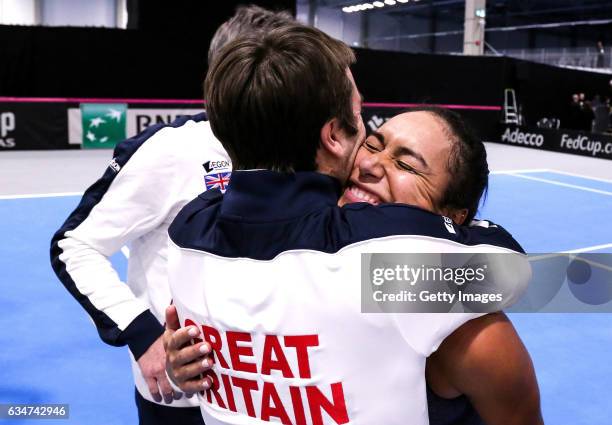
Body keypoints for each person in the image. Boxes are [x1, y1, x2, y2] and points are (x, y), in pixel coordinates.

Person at [164, 24, 540, 425]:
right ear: (334, 138)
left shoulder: (188, 233)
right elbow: (540, 277)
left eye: (407, 164)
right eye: (370, 138)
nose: (370, 163)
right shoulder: (372, 266)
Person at [49, 6, 294, 425]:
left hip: (277, 390)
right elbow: (76, 245)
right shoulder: (171, 151)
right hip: (186, 397)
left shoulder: (303, 153)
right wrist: (142, 335)